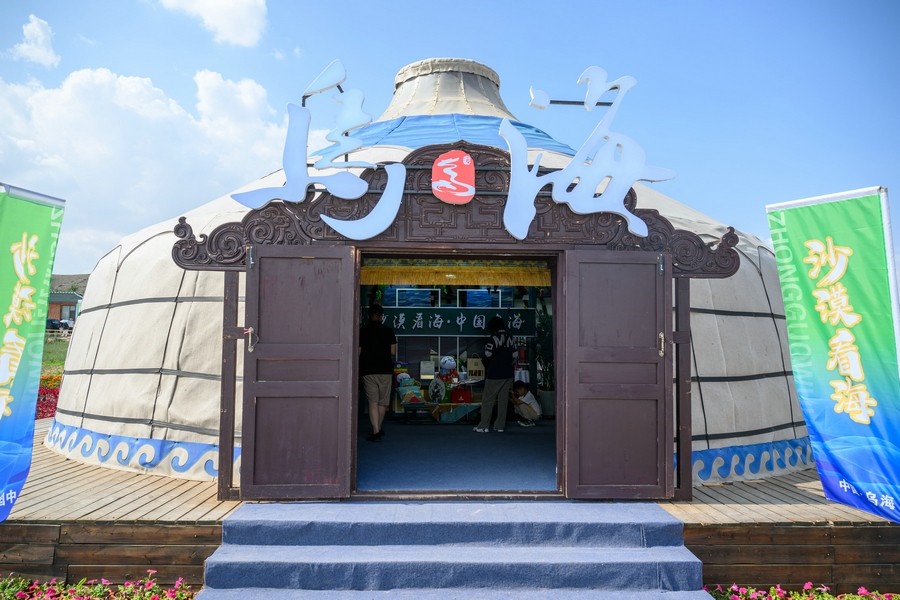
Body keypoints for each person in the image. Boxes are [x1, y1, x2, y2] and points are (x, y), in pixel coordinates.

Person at [359, 303, 397, 442]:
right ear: (381, 316)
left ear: (369, 316)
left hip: (368, 371)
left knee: (372, 402)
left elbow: (358, 352)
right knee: (382, 403)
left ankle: (375, 431)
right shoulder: (388, 331)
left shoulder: (362, 331)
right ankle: (378, 429)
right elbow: (393, 351)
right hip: (385, 370)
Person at [474, 316, 517, 433]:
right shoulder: (510, 337)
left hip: (494, 374)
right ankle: (499, 426)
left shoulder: (493, 338)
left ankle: (484, 426)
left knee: (488, 399)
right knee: (503, 401)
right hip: (507, 374)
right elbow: (515, 355)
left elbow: (488, 354)